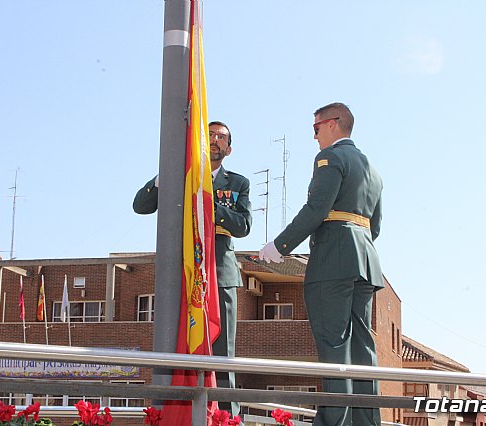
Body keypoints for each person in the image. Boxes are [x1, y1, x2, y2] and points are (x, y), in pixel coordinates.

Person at [259, 102, 384, 426]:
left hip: (333, 261)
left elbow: (316, 209)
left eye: (316, 129)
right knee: (362, 348)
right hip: (365, 261)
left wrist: (280, 245)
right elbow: (376, 226)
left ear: (332, 124)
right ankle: (365, 422)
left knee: (334, 346)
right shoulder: (372, 169)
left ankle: (333, 423)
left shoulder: (330, 158)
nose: (314, 137)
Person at [133, 121, 252, 417]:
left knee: (222, 356)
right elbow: (141, 205)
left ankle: (225, 418)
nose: (214, 140)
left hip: (219, 275)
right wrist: (167, 174)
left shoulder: (238, 183)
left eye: (221, 137)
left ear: (229, 148)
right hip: (182, 275)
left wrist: (206, 202)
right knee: (177, 350)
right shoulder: (180, 176)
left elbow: (243, 226)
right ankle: (173, 415)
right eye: (209, 134)